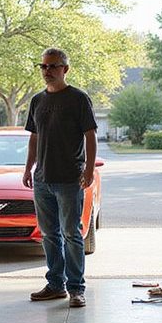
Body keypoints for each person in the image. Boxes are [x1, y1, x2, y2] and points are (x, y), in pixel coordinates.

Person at [23, 47, 98, 308]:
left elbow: (90, 135)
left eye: (53, 66)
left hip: (69, 179)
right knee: (49, 234)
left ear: (65, 69)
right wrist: (28, 168)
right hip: (42, 178)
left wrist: (88, 171)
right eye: (43, 66)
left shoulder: (78, 99)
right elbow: (34, 137)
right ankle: (55, 284)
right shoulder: (37, 101)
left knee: (71, 233)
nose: (47, 71)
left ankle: (76, 288)